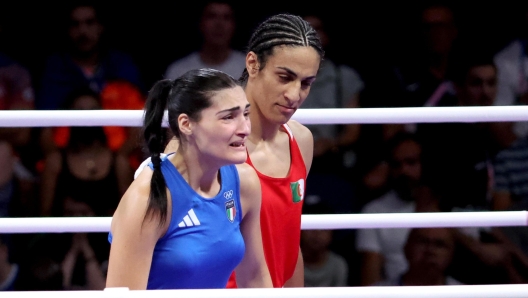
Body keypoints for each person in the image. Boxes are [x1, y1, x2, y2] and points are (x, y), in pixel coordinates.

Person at [143, 13, 324, 288]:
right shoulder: (203, 142)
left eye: (306, 83)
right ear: (253, 64)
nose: (294, 94)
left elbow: (288, 244)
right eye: (284, 77)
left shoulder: (301, 140)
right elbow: (167, 245)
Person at [106, 68, 272, 290]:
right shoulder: (148, 198)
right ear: (186, 124)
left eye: (245, 114)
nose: (244, 129)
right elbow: (121, 296)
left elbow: (255, 278)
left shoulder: (244, 183)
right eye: (229, 117)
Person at [164, 1, 246, 80]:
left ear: (234, 25)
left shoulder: (247, 69)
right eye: (212, 16)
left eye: (226, 17)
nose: (219, 24)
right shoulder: (178, 71)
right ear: (201, 22)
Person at [375, 228, 462, 286]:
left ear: (452, 253)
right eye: (423, 242)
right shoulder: (375, 294)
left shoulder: (467, 294)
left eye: (439, 244)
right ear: (406, 248)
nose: (430, 251)